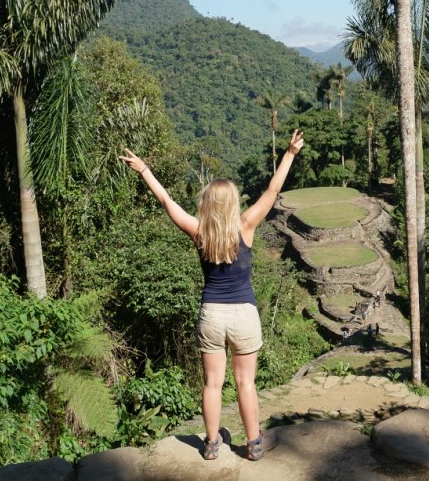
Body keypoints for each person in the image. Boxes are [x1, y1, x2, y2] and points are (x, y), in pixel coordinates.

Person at [120, 129, 304, 462]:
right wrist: (289, 153)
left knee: (212, 383)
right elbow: (273, 190)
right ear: (233, 203)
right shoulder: (246, 225)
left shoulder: (198, 230)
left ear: (207, 204)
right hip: (244, 314)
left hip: (211, 315)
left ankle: (211, 445)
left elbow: (167, 202)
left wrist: (145, 170)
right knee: (245, 382)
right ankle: (254, 444)